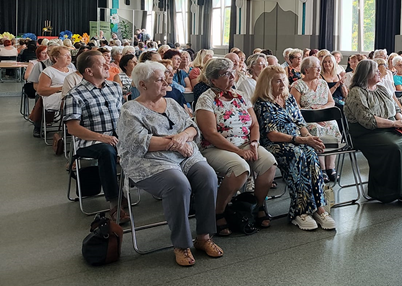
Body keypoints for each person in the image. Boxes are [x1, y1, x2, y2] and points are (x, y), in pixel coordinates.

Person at [117, 61, 222, 266]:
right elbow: (140, 142)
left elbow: (192, 128)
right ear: (143, 85)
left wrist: (182, 137)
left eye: (166, 77)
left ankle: (204, 237)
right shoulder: (130, 110)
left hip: (184, 154)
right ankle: (181, 244)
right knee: (178, 184)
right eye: (160, 79)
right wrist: (176, 144)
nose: (167, 82)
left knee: (207, 176)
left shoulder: (172, 103)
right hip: (149, 161)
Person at [195, 58, 277, 232]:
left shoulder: (240, 96)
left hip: (246, 144)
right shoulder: (206, 99)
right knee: (240, 168)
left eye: (232, 72)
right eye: (225, 74)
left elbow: (254, 124)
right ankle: (219, 211)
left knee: (269, 163)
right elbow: (210, 134)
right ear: (213, 79)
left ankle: (257, 206)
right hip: (216, 147)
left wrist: (254, 143)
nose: (232, 76)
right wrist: (238, 151)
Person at [344, 59, 402, 207]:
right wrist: (395, 123)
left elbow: (396, 109)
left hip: (388, 127)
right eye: (376, 70)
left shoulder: (381, 89)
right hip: (366, 133)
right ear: (366, 74)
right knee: (395, 147)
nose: (379, 73)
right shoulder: (356, 92)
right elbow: (368, 120)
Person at [252, 65, 335, 231]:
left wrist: (308, 138)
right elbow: (271, 134)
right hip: (275, 144)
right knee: (296, 154)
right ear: (267, 83)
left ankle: (319, 208)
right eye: (277, 81)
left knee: (311, 154)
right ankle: (300, 212)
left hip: (297, 139)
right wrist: (300, 140)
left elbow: (300, 123)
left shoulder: (288, 98)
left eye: (284, 80)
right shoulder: (263, 104)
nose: (283, 84)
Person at [63, 51, 127, 221]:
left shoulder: (114, 88)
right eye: (102, 64)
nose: (108, 66)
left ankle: (134, 188)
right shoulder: (75, 95)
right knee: (107, 151)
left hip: (116, 139)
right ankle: (115, 202)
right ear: (89, 71)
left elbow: (123, 116)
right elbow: (73, 129)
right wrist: (101, 137)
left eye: (107, 62)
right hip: (89, 143)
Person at [290, 57, 341, 182]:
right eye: (316, 68)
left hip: (324, 116)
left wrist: (322, 110)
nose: (319, 70)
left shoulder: (323, 83)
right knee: (316, 129)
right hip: (306, 120)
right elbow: (295, 108)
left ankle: (331, 167)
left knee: (333, 126)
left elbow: (331, 102)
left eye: (319, 68)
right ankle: (321, 168)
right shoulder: (297, 85)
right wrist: (314, 116)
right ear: (306, 70)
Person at [37, 46, 76, 114]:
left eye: (70, 55)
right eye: (66, 55)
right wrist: (62, 88)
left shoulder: (73, 71)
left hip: (70, 95)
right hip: (53, 97)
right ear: (56, 58)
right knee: (72, 98)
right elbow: (41, 91)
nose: (69, 57)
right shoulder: (48, 71)